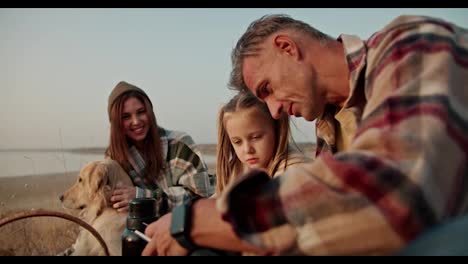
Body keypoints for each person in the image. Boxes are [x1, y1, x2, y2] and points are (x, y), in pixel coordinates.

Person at [143, 14, 468, 256]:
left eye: (267, 89)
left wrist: (202, 219)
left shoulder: (410, 44)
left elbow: (393, 199)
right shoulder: (331, 126)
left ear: (287, 47)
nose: (273, 112)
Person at [106, 81, 214, 217]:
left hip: (186, 226)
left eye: (141, 112)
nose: (136, 121)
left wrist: (143, 198)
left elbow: (200, 198)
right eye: (126, 116)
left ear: (150, 112)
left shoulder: (180, 143)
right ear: (115, 122)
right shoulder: (114, 158)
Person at [213, 92, 307, 197]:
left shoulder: (296, 172)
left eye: (256, 137)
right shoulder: (236, 170)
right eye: (237, 142)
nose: (247, 149)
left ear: (277, 129)